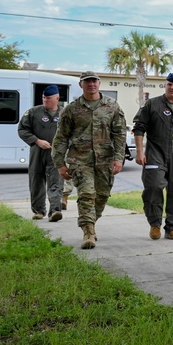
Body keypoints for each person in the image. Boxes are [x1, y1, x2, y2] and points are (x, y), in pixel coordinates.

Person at [52, 71, 127, 249]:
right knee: (86, 194)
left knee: (101, 196)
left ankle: (92, 221)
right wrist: (60, 164)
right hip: (80, 159)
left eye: (94, 81)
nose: (91, 84)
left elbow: (120, 134)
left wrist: (118, 158)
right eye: (87, 82)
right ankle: (88, 232)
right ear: (81, 85)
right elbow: (61, 137)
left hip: (105, 160)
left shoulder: (112, 106)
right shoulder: (71, 109)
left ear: (99, 83)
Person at [132, 71, 173, 240]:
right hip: (155, 152)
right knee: (153, 186)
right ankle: (155, 223)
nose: (172, 88)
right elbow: (139, 127)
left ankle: (172, 227)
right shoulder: (153, 104)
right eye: (170, 84)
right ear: (165, 85)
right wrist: (140, 152)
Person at [17, 84, 66, 222]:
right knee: (36, 180)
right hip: (37, 152)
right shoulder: (33, 112)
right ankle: (39, 211)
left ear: (57, 98)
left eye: (49, 98)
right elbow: (22, 130)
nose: (45, 100)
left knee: (56, 181)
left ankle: (55, 211)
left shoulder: (64, 114)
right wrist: (37, 141)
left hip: (56, 154)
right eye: (44, 97)